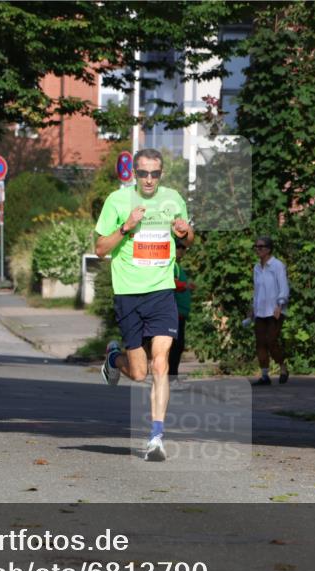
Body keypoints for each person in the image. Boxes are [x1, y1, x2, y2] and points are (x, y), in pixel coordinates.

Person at [95, 148, 194, 462]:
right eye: (143, 173)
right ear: (133, 173)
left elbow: (187, 240)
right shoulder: (117, 201)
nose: (149, 179)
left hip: (162, 291)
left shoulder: (173, 199)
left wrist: (186, 233)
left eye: (154, 173)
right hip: (128, 294)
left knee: (160, 363)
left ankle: (156, 437)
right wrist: (126, 226)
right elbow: (99, 249)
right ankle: (114, 359)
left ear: (161, 173)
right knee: (138, 373)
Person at [248, 236, 289, 386]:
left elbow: (283, 286)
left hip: (275, 310)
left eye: (261, 247)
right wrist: (253, 307)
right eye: (256, 247)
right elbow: (257, 290)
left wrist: (280, 304)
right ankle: (265, 376)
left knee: (271, 341)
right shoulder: (256, 268)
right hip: (260, 311)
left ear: (269, 249)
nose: (258, 249)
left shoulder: (277, 265)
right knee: (260, 343)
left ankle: (282, 367)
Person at [169, 237, 195, 390]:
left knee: (177, 347)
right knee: (175, 347)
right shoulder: (171, 265)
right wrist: (185, 286)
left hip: (180, 313)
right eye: (181, 248)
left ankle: (171, 379)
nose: (183, 251)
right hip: (174, 313)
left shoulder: (177, 266)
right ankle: (170, 380)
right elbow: (170, 282)